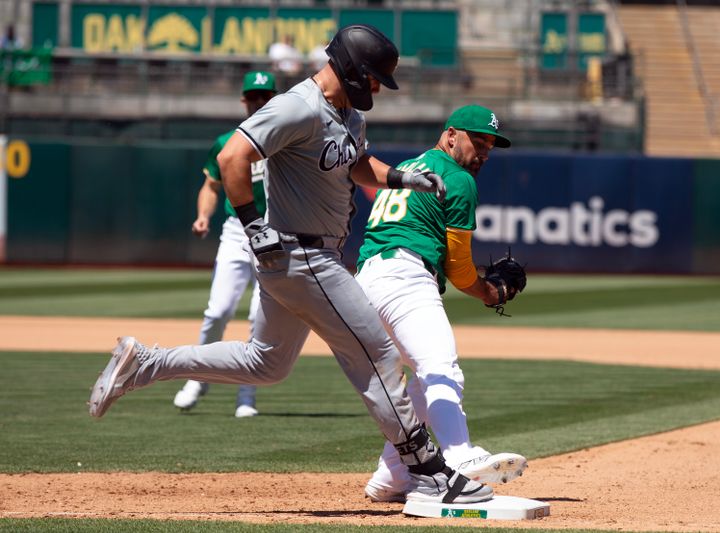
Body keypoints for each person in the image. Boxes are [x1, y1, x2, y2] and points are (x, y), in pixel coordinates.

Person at [89, 24, 497, 505]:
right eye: (372, 80)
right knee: (378, 356)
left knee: (265, 364)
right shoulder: (296, 105)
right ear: (350, 68)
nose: (375, 91)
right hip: (303, 254)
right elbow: (232, 156)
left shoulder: (346, 114)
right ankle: (429, 471)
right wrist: (252, 224)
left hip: (306, 254)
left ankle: (146, 363)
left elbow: (356, 163)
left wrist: (399, 177)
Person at [355, 104, 527, 502]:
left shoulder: (410, 166)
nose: (483, 151)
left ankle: (392, 476)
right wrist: (491, 292)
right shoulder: (459, 179)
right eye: (477, 140)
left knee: (420, 379)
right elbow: (460, 268)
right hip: (405, 277)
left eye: (490, 145)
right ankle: (460, 457)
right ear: (450, 135)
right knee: (441, 369)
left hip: (365, 282)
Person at [172, 71, 277, 418]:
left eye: (265, 96)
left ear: (274, 98)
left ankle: (247, 395)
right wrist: (203, 215)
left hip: (275, 231)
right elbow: (211, 186)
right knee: (217, 311)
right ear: (244, 101)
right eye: (253, 96)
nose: (258, 102)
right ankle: (198, 378)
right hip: (236, 230)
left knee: (258, 318)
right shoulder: (226, 142)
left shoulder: (287, 140)